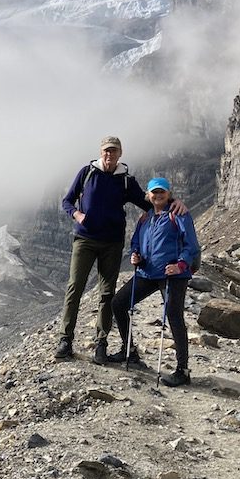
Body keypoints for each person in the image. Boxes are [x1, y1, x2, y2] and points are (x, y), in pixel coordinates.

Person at [55, 136, 186, 361]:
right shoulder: (87, 173)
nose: (109, 155)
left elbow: (150, 201)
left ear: (120, 153)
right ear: (101, 152)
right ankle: (65, 340)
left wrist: (175, 202)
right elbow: (67, 201)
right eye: (106, 151)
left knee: (107, 293)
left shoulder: (125, 180)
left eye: (114, 151)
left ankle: (101, 343)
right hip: (85, 240)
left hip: (112, 244)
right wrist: (77, 215)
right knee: (75, 288)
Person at [107, 176, 200, 387]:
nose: (158, 196)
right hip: (147, 273)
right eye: (154, 192)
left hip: (173, 275)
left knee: (174, 316)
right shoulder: (145, 218)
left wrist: (180, 265)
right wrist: (135, 255)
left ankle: (182, 370)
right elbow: (136, 242)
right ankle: (129, 351)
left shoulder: (179, 215)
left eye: (162, 192)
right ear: (148, 195)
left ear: (168, 194)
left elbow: (191, 245)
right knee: (118, 304)